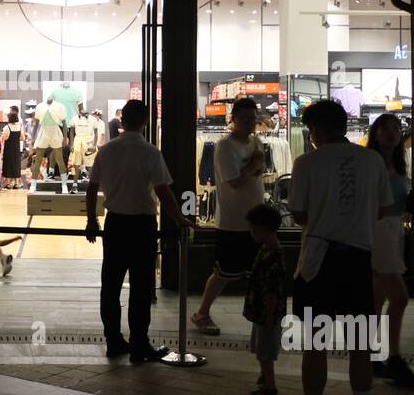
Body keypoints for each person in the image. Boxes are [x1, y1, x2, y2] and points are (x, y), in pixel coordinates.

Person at [289, 99, 397, 395]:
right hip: (357, 260)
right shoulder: (372, 160)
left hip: (318, 261)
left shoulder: (306, 163)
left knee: (316, 344)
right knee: (361, 344)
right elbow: (383, 209)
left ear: (316, 130)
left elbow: (300, 215)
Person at [84, 99, 189, 362]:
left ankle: (114, 341)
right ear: (145, 121)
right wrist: (178, 219)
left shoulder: (106, 151)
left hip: (115, 223)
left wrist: (91, 221)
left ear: (122, 120)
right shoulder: (150, 152)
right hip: (142, 225)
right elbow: (163, 191)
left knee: (111, 284)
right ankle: (139, 344)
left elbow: (91, 187)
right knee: (141, 286)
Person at [191, 98, 265, 336]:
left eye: (253, 118)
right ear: (233, 119)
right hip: (233, 222)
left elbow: (260, 171)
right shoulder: (224, 146)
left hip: (256, 219)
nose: (249, 123)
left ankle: (259, 318)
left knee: (256, 271)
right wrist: (254, 164)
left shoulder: (255, 141)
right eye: (244, 118)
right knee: (224, 273)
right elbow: (233, 182)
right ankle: (202, 313)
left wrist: (256, 164)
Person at [366, 113, 414, 387]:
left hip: (392, 232)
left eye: (395, 128)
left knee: (378, 298)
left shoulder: (400, 165)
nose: (391, 133)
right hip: (378, 233)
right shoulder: (371, 163)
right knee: (399, 298)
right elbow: (367, 205)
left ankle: (369, 355)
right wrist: (396, 207)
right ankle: (394, 356)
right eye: (385, 128)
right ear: (375, 133)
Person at [243, 203, 287, 395]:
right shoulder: (268, 249)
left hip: (266, 314)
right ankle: (264, 378)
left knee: (265, 352)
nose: (250, 231)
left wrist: (269, 316)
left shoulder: (272, 257)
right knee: (261, 347)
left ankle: (270, 388)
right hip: (262, 312)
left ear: (262, 228)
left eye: (252, 227)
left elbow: (271, 292)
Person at [31, 97, 67, 184]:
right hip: (44, 131)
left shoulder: (59, 106)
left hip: (55, 131)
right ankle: (33, 185)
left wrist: (65, 138)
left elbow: (64, 123)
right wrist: (33, 137)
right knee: (38, 159)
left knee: (60, 160)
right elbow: (36, 123)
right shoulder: (40, 106)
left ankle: (64, 184)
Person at [1, 107, 22, 189]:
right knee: (17, 164)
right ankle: (16, 183)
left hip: (8, 149)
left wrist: (3, 135)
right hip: (16, 148)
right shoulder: (19, 126)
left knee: (8, 164)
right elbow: (23, 137)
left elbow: (5, 138)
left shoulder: (7, 127)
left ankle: (8, 183)